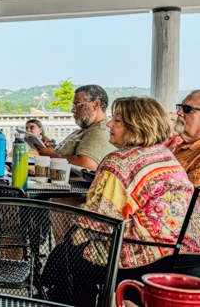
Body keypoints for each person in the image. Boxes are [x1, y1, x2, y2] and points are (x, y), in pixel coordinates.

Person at [41, 97, 197, 306]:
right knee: (71, 251)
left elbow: (97, 220)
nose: (108, 124)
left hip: (149, 252)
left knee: (69, 256)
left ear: (136, 126)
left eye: (117, 120)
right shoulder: (165, 154)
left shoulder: (119, 162)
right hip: (187, 252)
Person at [37, 85, 116, 172]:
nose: (73, 110)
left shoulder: (100, 130)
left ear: (96, 104)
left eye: (78, 105)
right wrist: (50, 147)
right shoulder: (86, 129)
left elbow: (86, 165)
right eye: (73, 105)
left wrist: (51, 155)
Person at [169, 90, 200, 187]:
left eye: (187, 109)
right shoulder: (174, 148)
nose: (178, 112)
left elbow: (190, 200)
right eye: (180, 107)